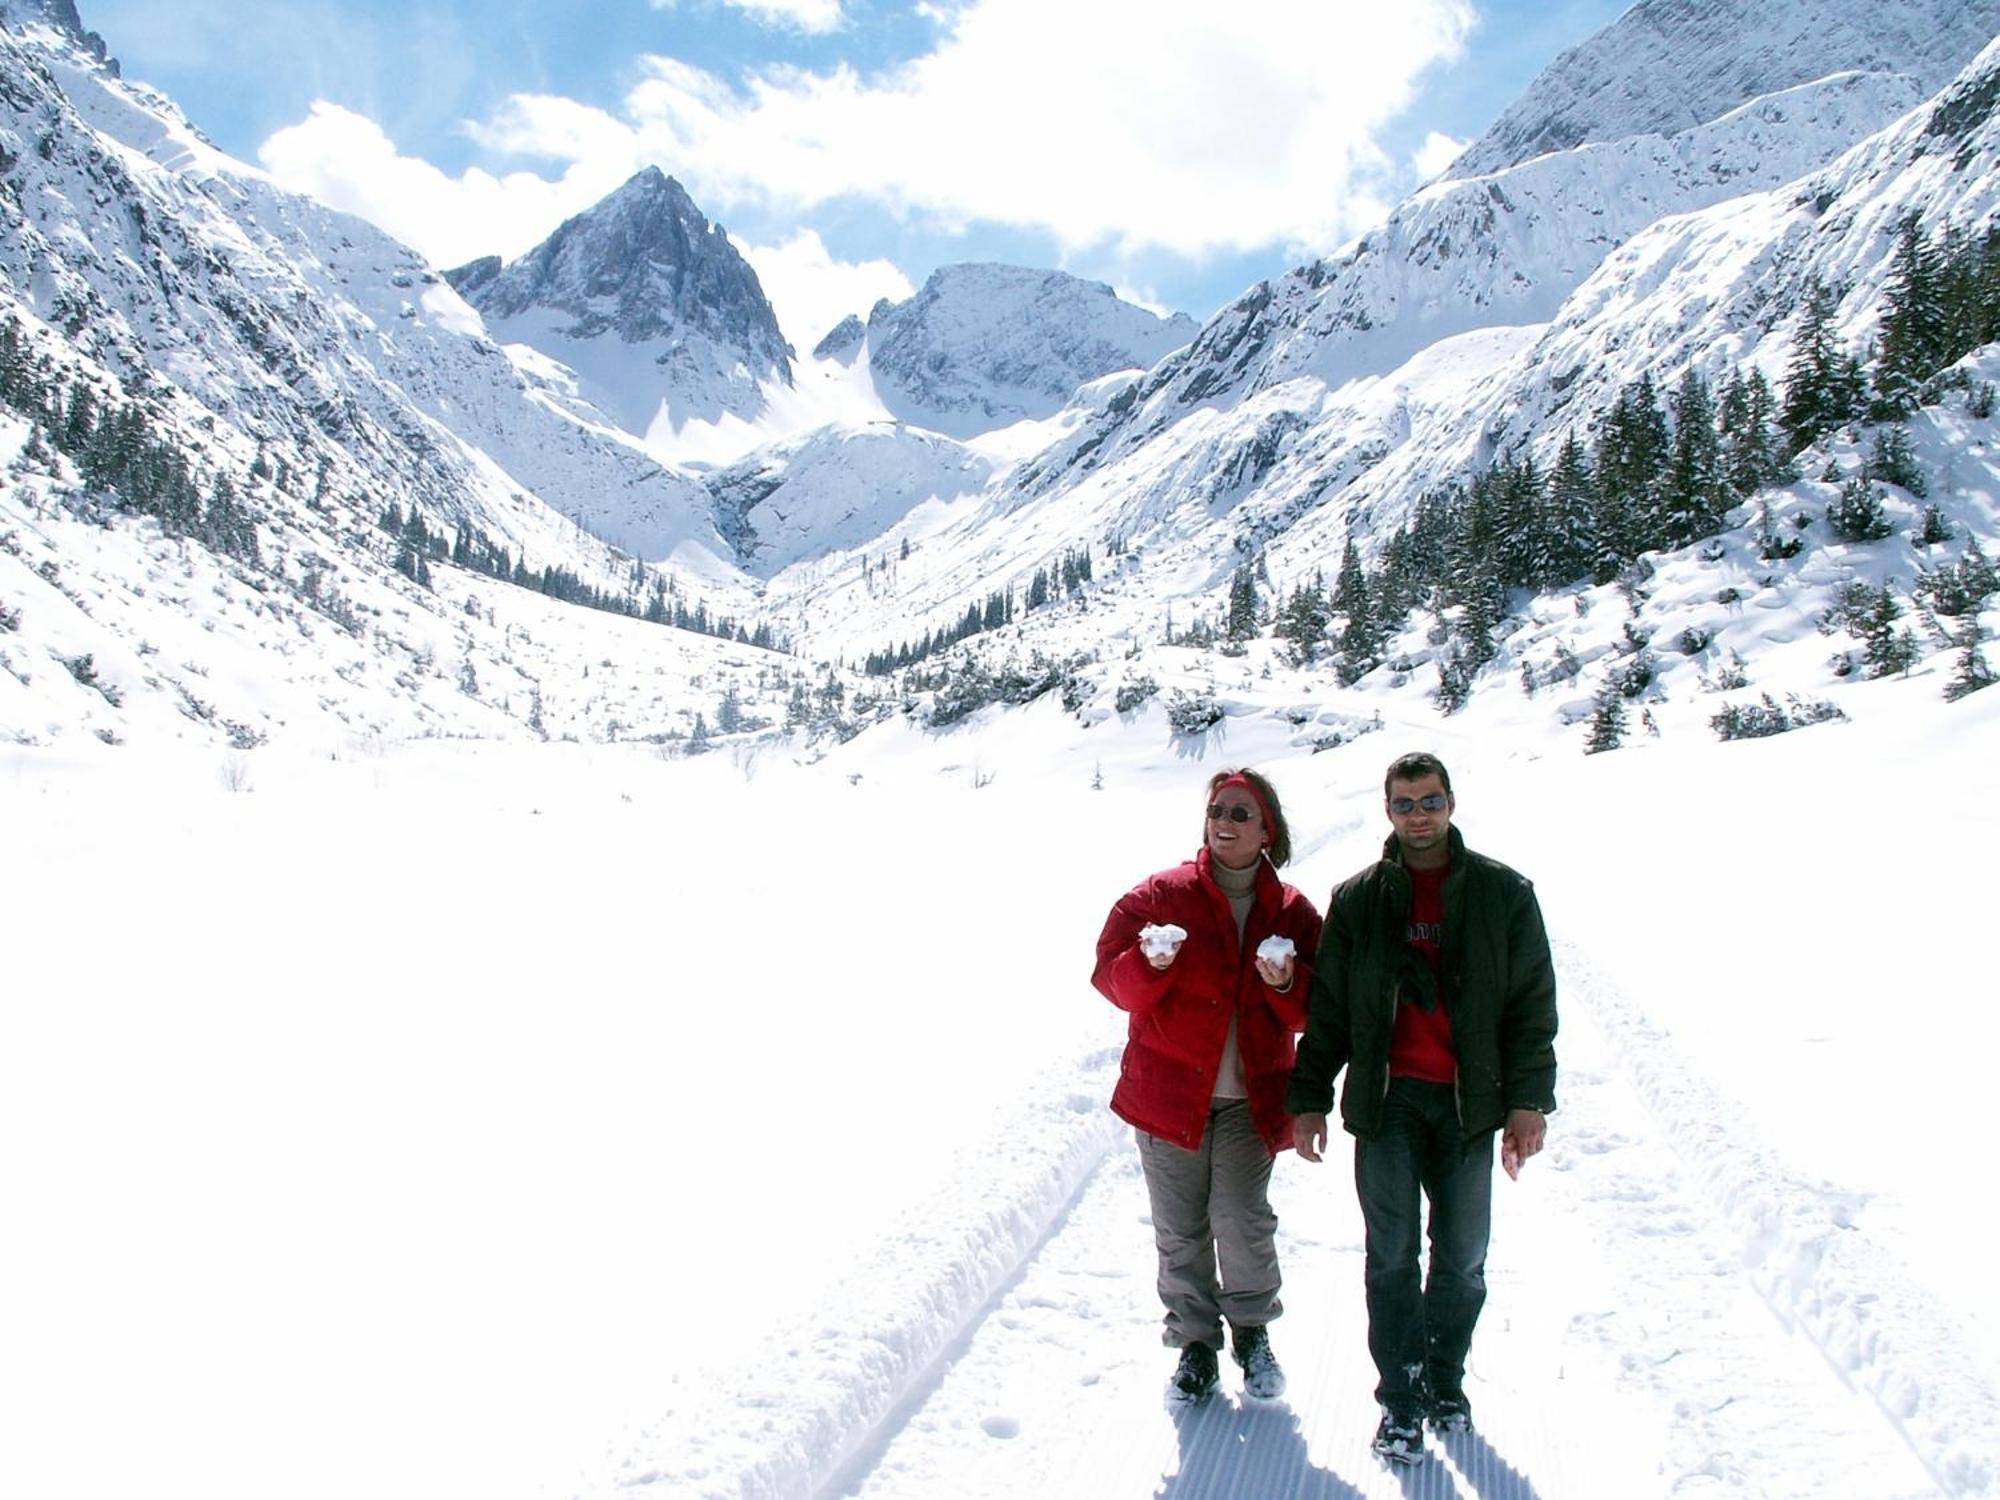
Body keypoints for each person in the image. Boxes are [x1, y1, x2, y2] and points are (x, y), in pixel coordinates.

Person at [1287, 751, 1557, 1464]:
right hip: (1388, 1103)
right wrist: (1311, 1097)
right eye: (1405, 804)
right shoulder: (1360, 899)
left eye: (1429, 801)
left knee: (1463, 1259)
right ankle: (1401, 1399)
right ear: (1388, 811)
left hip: (1470, 1106)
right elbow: (1332, 1010)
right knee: (1392, 1256)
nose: (1418, 815)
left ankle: (1446, 1378)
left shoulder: (1505, 894)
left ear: (1451, 803)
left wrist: (1529, 1101)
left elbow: (1533, 1008)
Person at [1092, 768, 1324, 1404]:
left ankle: (1251, 1332)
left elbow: (1315, 1012)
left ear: (1267, 828)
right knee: (1181, 1226)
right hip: (1169, 1096)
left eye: (1241, 813)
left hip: (1252, 1099)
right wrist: (1148, 962)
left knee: (1241, 1217)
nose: (1224, 820)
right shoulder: (1161, 896)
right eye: (1217, 809)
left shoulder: (1294, 911)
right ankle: (1195, 1343)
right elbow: (1112, 983)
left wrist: (1284, 984)